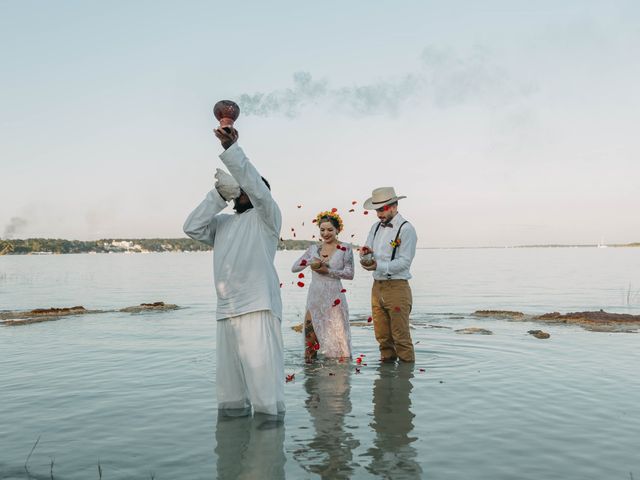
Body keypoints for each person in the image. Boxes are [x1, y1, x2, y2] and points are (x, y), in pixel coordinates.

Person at [183, 125, 285, 417]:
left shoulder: (267, 219)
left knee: (265, 390)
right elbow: (191, 227)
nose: (240, 190)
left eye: (245, 188)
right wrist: (217, 195)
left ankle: (268, 443)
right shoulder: (223, 224)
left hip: (258, 307)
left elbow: (256, 188)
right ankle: (230, 452)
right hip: (226, 311)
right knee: (230, 396)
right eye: (236, 188)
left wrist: (232, 151)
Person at [360, 187, 417, 363]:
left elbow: (404, 262)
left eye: (382, 209)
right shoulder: (375, 227)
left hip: (397, 287)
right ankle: (385, 385)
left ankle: (405, 382)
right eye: (377, 209)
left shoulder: (407, 229)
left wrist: (378, 265)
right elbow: (367, 255)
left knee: (401, 338)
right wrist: (365, 257)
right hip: (377, 287)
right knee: (382, 338)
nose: (379, 214)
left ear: (394, 206)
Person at [292, 211, 354, 362]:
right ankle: (311, 378)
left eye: (330, 230)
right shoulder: (314, 249)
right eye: (322, 230)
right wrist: (311, 261)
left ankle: (340, 376)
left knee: (339, 341)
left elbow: (350, 274)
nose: (325, 233)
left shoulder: (345, 248)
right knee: (310, 340)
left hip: (334, 297)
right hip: (315, 297)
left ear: (338, 230)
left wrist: (328, 270)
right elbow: (295, 268)